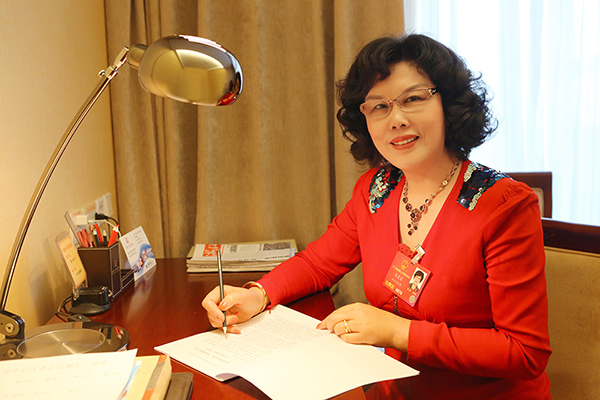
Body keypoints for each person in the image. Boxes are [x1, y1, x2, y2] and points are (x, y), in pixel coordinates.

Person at [202, 34, 551, 399]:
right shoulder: (377, 189)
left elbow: (525, 353)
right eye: (379, 106)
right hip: (392, 389)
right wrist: (258, 294)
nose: (396, 119)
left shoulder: (504, 206)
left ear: (448, 103)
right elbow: (318, 263)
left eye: (413, 99)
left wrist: (397, 332)